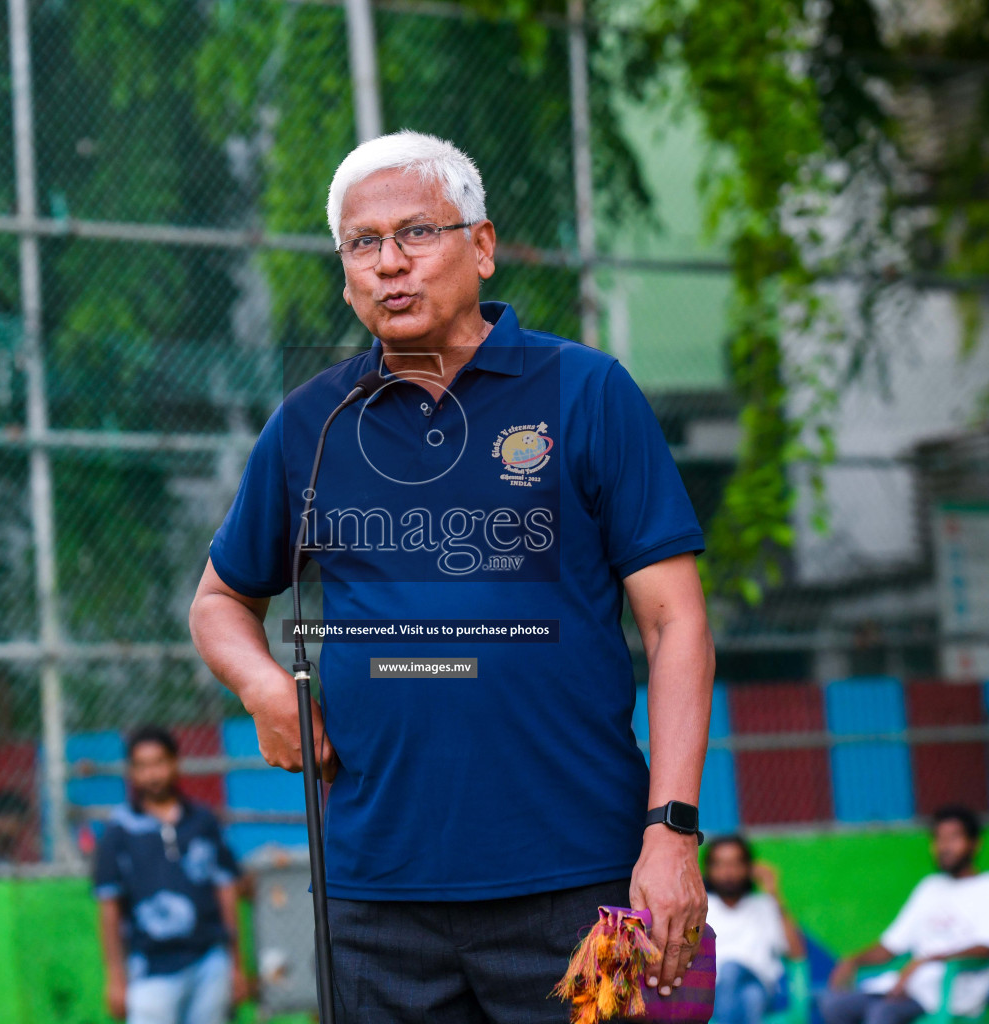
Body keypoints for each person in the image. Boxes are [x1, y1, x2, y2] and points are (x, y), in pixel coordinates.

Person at [189, 129, 714, 1023]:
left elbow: (677, 627)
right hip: (373, 897)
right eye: (363, 244)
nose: (389, 263)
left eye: (416, 233)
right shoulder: (311, 424)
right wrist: (263, 685)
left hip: (583, 883)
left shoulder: (587, 393)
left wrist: (670, 833)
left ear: (481, 245)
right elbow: (219, 600)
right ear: (345, 270)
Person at [93, 726, 250, 1024]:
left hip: (209, 962)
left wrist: (236, 965)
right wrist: (115, 978)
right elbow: (109, 908)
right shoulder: (119, 831)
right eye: (142, 766)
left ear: (175, 762)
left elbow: (226, 891)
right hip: (150, 970)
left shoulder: (203, 821)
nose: (152, 775)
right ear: (132, 772)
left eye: (159, 762)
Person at [818, 806, 989, 1024]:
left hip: (953, 989)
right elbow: (892, 945)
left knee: (881, 1014)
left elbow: (988, 946)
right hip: (910, 985)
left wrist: (927, 960)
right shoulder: (930, 887)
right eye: (939, 839)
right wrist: (853, 960)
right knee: (834, 1005)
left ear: (974, 843)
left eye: (953, 838)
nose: (944, 847)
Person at [704, 835, 805, 1024]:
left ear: (749, 868)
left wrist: (774, 893)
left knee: (733, 971)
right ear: (709, 870)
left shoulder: (765, 905)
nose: (728, 872)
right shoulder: (701, 908)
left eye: (735, 864)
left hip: (762, 985)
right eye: (720, 864)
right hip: (715, 993)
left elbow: (796, 953)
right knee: (751, 997)